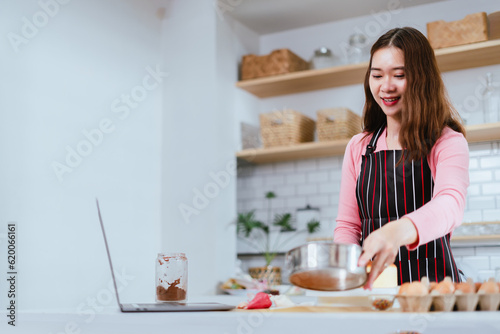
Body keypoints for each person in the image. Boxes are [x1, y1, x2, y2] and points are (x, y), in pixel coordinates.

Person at [333, 27, 469, 289]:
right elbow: (348, 226)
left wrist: (395, 232)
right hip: (374, 292)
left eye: (399, 75)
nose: (386, 86)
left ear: (422, 79)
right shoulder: (358, 146)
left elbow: (451, 204)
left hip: (434, 291)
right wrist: (347, 275)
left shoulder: (447, 141)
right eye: (377, 75)